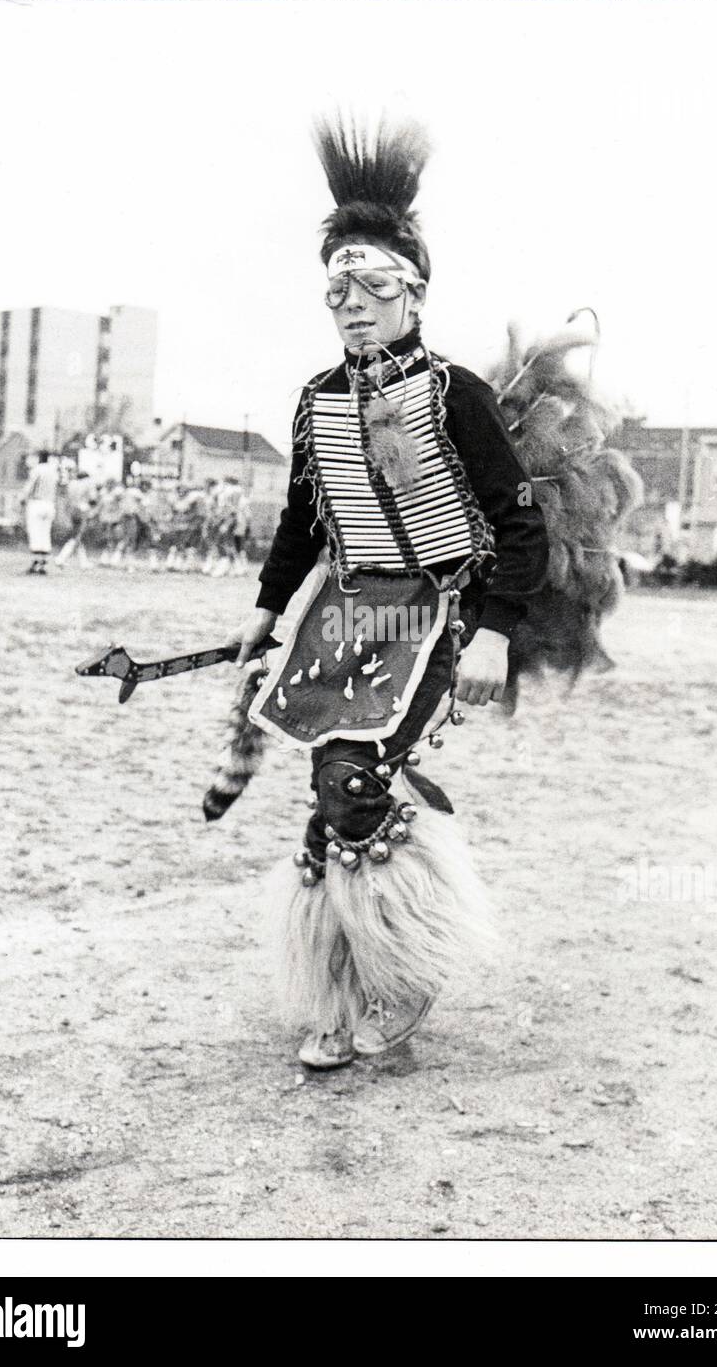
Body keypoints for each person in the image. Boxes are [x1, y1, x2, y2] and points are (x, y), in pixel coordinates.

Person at [223, 116, 549, 1069]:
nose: (352, 306)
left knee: (349, 781)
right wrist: (265, 610)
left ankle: (404, 975)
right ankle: (339, 983)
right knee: (334, 792)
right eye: (337, 290)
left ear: (411, 290)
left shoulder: (455, 394)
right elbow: (300, 519)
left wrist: (494, 634)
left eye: (372, 286)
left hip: (434, 614)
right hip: (344, 616)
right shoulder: (317, 396)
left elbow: (519, 519)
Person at [21, 449, 59, 575]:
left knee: (35, 532)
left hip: (37, 502)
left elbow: (30, 486)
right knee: (45, 532)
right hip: (50, 503)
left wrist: (22, 498)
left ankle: (36, 561)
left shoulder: (37, 469)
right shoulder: (53, 471)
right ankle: (43, 562)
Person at [55, 467, 98, 569]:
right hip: (82, 510)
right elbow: (93, 499)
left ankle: (83, 562)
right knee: (77, 536)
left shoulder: (72, 484)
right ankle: (61, 558)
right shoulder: (88, 483)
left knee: (78, 536)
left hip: (72, 510)